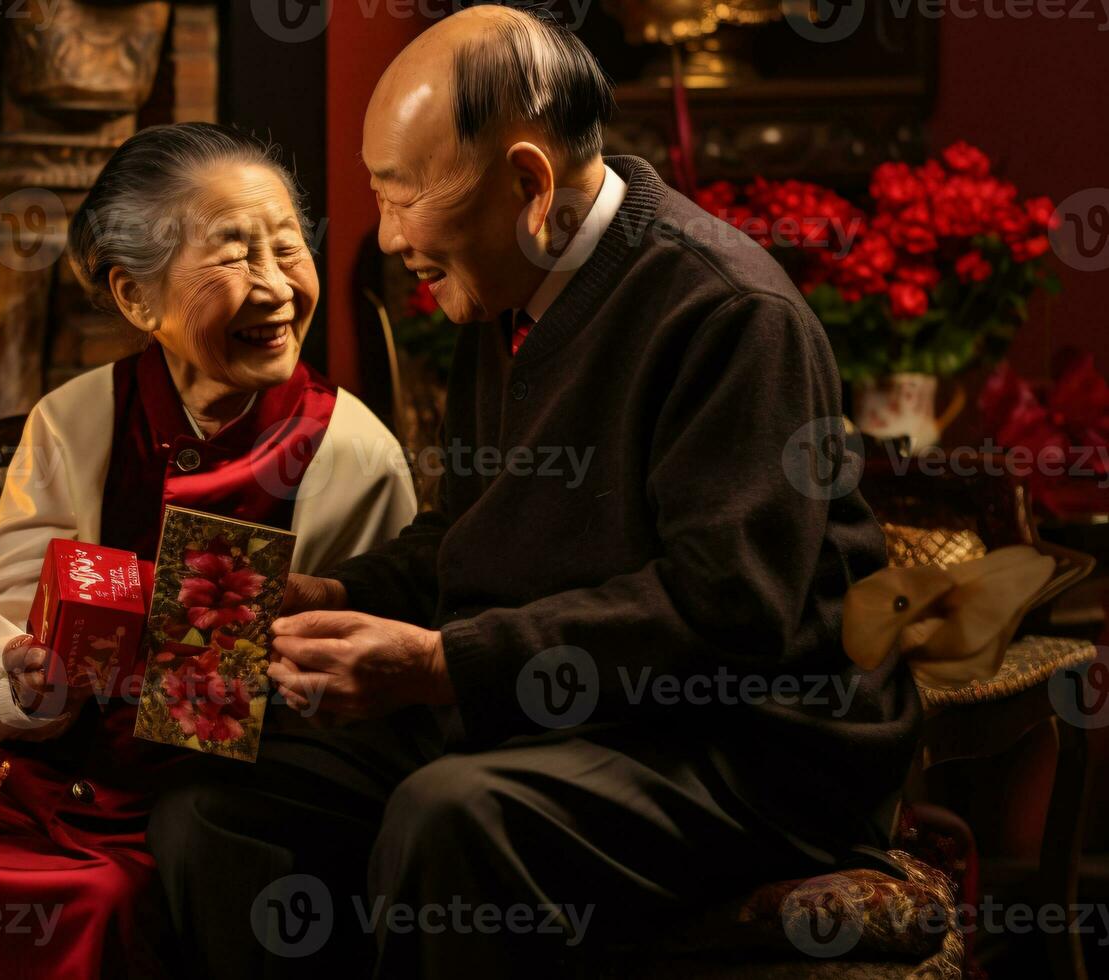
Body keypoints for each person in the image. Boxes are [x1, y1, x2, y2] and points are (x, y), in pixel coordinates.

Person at [147, 7, 922, 978]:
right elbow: (478, 534)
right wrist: (343, 594)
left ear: (527, 182)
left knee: (451, 816)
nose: (387, 238)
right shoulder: (515, 284)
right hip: (565, 705)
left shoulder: (729, 312)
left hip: (750, 744)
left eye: (401, 196)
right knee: (217, 807)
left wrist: (444, 664)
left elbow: (729, 608)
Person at [0, 122, 417, 979]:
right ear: (136, 299)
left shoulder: (353, 450)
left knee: (99, 904)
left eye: (286, 247)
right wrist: (24, 677)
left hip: (197, 800)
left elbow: (366, 699)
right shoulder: (76, 417)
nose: (275, 286)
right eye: (234, 256)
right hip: (22, 768)